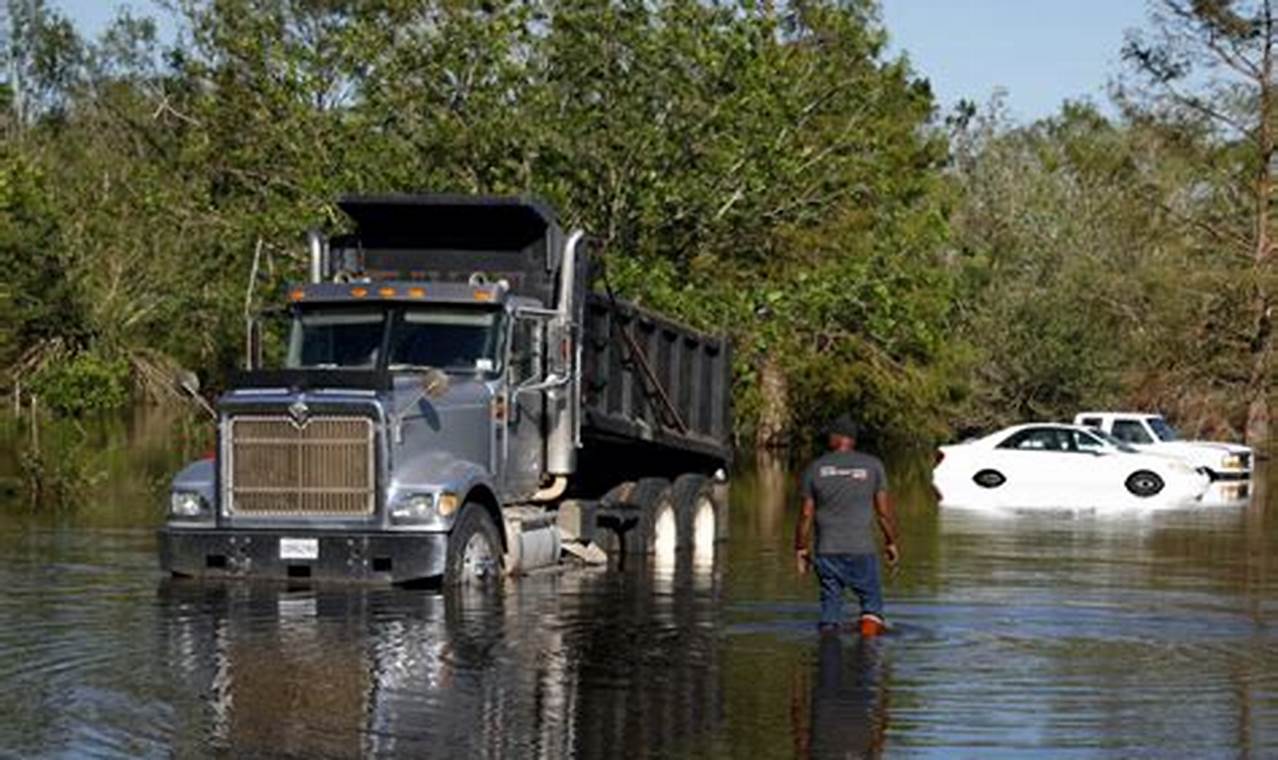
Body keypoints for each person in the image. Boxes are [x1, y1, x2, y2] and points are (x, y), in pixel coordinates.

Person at [794, 414, 899, 636]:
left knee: (830, 610)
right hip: (861, 551)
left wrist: (801, 548)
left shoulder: (815, 468)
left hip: (827, 551)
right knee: (871, 607)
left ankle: (828, 657)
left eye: (830, 436)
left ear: (837, 438)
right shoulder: (873, 466)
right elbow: (883, 513)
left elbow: (805, 515)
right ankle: (868, 656)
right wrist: (890, 542)